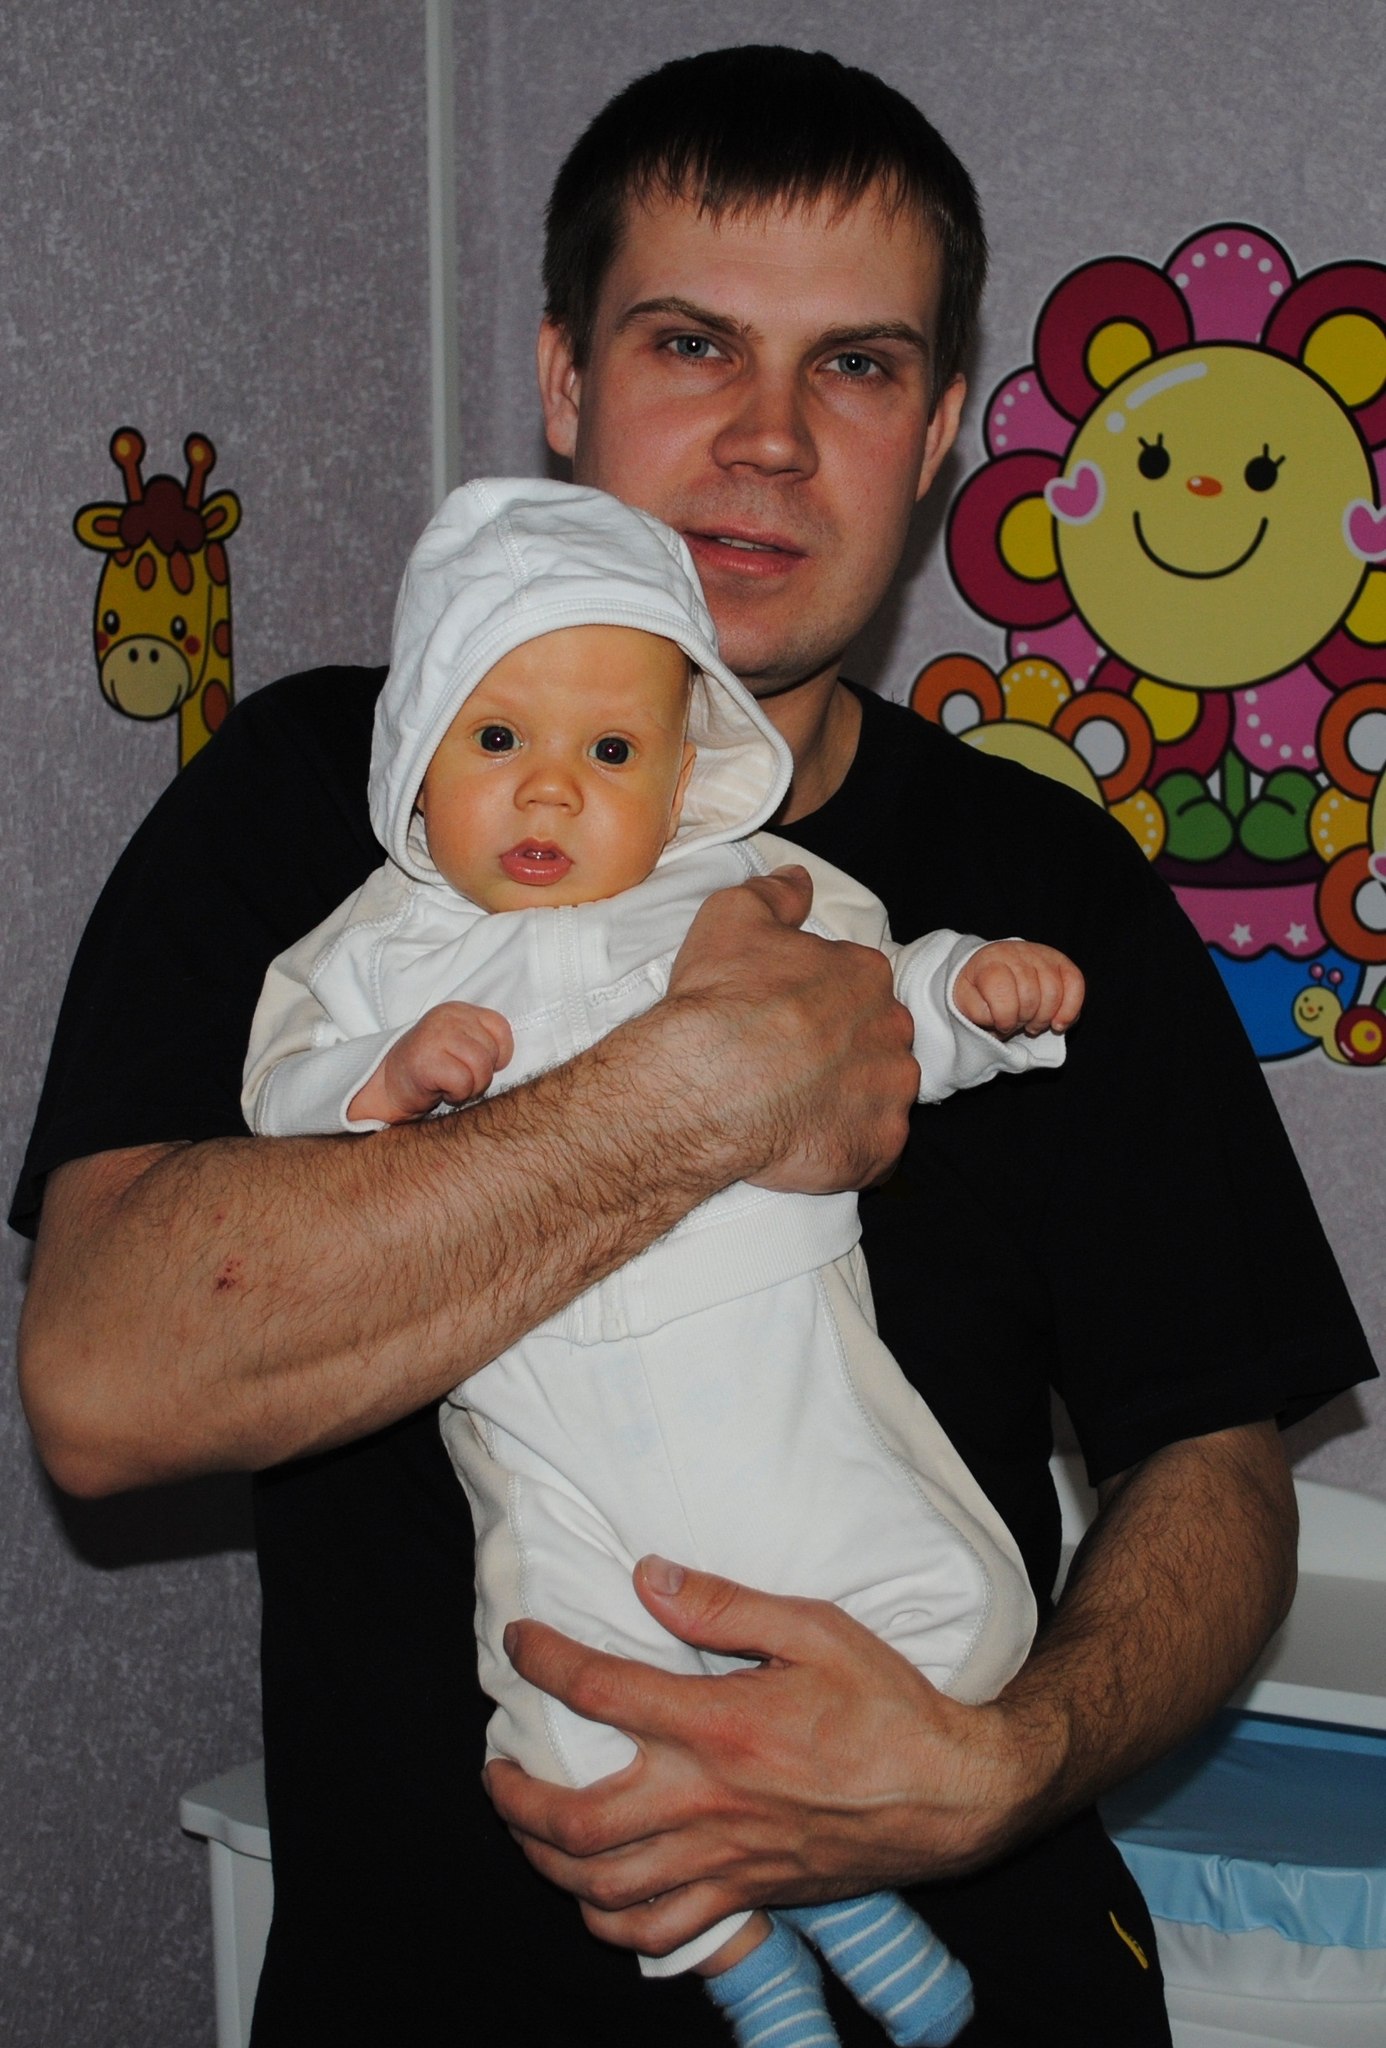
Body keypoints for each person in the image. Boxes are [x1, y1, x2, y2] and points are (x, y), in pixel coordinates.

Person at [13, 45, 1375, 2048]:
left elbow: (1219, 1460)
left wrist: (1006, 1761)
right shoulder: (317, 805)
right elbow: (104, 1386)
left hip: (988, 1970)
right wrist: (688, 1101)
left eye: (856, 366)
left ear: (936, 437)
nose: (768, 440)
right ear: (563, 382)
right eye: (691, 344)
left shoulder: (1039, 885)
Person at [241, 474, 1082, 2045]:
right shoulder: (371, 948)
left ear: (684, 771)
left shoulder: (752, 891)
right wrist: (378, 1079)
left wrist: (968, 996)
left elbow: (874, 1009)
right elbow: (275, 1095)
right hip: (546, 1437)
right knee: (561, 1723)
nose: (550, 793)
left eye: (610, 753)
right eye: (498, 739)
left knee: (957, 1627)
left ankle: (840, 1882)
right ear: (416, 753)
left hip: (771, 1388)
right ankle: (747, 1962)